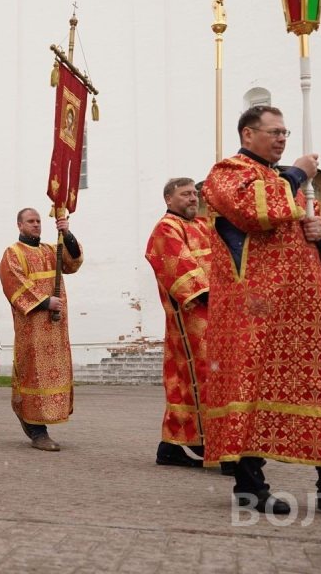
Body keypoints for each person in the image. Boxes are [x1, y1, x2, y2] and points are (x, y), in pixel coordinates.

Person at [201, 105, 321, 514]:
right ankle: (250, 487)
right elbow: (252, 211)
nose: (281, 138)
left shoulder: (293, 186)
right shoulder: (227, 172)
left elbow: (319, 232)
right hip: (253, 310)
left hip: (302, 312)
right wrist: (296, 173)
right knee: (249, 391)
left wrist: (320, 235)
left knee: (320, 389)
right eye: (273, 131)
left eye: (285, 132)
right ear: (247, 133)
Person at [0, 208, 83, 452]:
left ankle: (42, 420)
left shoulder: (49, 249)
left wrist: (67, 235)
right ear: (19, 225)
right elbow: (12, 282)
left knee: (54, 372)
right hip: (32, 325)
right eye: (30, 221)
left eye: (38, 221)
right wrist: (45, 302)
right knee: (33, 372)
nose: (36, 225)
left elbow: (72, 262)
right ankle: (35, 428)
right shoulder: (13, 253)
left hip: (55, 325)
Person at [144, 177, 214, 469]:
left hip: (217, 315)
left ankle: (171, 447)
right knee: (201, 378)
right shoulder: (166, 228)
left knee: (192, 382)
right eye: (185, 194)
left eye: (194, 194)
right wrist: (216, 296)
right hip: (192, 317)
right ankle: (214, 444)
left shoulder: (201, 225)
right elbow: (178, 268)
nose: (192, 198)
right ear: (168, 200)